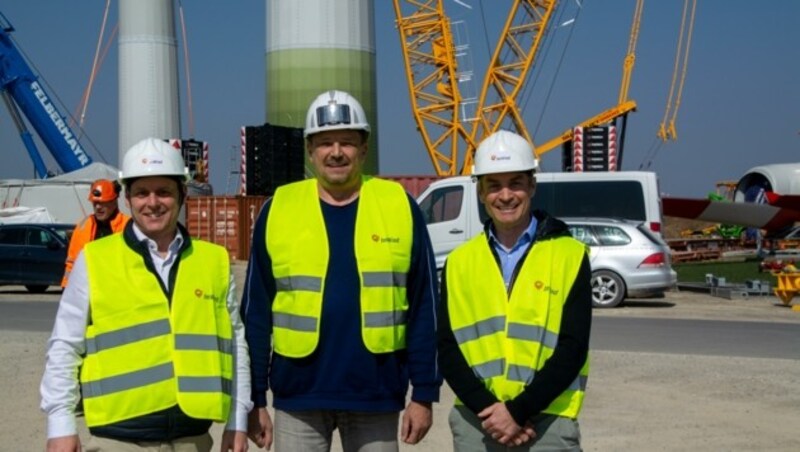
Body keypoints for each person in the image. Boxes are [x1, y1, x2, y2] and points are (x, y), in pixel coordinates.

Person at [243, 90, 441, 451]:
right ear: (310, 150)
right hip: (298, 397)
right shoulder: (279, 208)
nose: (336, 152)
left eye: (347, 142)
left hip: (376, 394)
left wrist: (424, 394)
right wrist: (255, 400)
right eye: (325, 143)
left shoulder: (399, 205)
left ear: (363, 149)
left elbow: (424, 307)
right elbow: (255, 314)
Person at [41, 138, 252, 452]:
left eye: (164, 192)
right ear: (128, 198)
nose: (152, 203)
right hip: (118, 440)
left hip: (193, 439)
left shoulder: (214, 261)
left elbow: (235, 344)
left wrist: (238, 418)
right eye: (142, 192)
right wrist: (60, 424)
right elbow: (64, 346)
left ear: (182, 195)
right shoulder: (95, 259)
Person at [437, 130, 592, 451]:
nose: (505, 195)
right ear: (480, 192)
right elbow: (447, 347)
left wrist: (518, 411)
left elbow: (573, 347)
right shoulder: (459, 263)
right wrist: (494, 413)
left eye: (515, 183)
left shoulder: (570, 254)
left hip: (548, 420)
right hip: (478, 420)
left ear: (532, 185)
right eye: (493, 185)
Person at [61, 178, 130, 287]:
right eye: (95, 203)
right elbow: (72, 263)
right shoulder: (83, 227)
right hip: (90, 290)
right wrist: (66, 287)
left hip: (119, 290)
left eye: (102, 203)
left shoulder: (128, 226)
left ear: (114, 201)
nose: (98, 207)